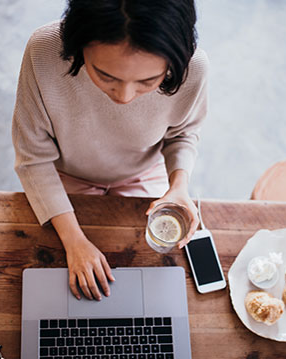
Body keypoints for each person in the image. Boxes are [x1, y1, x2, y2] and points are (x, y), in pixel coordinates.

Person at [12, 0, 208, 301]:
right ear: (78, 45)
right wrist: (74, 241)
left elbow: (182, 134)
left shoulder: (193, 68)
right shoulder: (44, 52)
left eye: (148, 81)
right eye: (106, 76)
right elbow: (33, 158)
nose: (125, 97)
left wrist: (179, 185)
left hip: (143, 173)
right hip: (64, 176)